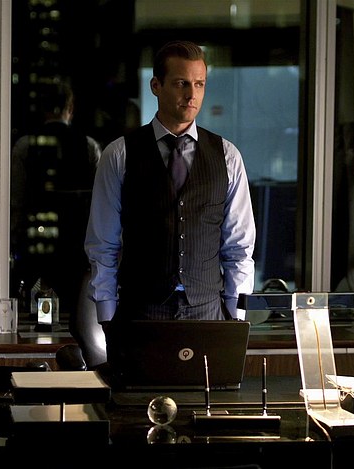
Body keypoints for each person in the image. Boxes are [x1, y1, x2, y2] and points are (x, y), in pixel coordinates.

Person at [84, 40, 256, 363]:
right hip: (140, 313)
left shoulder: (228, 156)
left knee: (209, 395)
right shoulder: (119, 155)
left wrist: (236, 315)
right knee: (136, 395)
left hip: (208, 314)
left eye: (199, 84)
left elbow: (239, 246)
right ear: (156, 86)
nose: (192, 95)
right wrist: (107, 317)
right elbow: (102, 245)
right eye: (181, 83)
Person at [11, 78, 101, 328]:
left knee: (37, 311)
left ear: (42, 109)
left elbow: (16, 201)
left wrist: (14, 239)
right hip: (77, 244)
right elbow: (101, 202)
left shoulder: (26, 146)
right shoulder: (88, 146)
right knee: (77, 313)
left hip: (37, 244)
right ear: (70, 109)